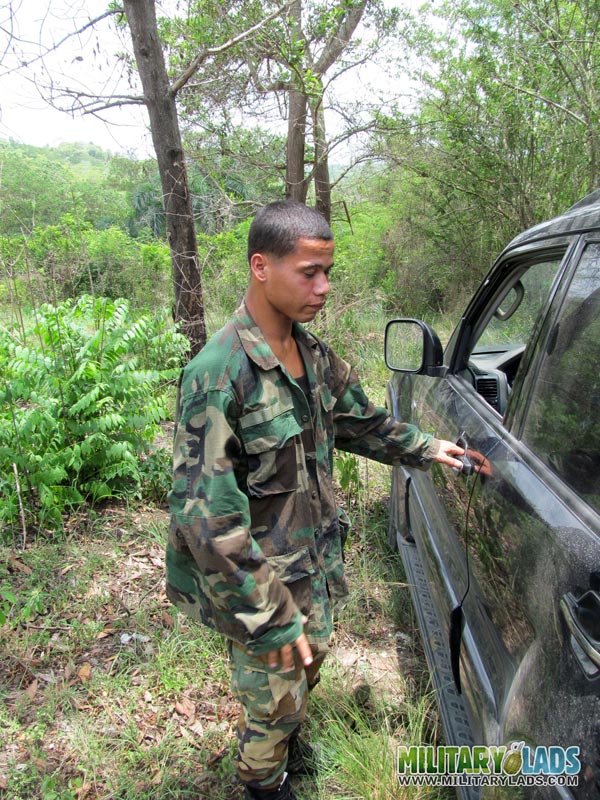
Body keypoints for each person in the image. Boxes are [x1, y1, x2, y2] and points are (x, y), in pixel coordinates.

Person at [166, 200, 464, 800]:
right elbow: (206, 522)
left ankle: (288, 747)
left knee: (307, 669)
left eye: (328, 271)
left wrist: (427, 447)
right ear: (260, 267)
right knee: (272, 703)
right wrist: (267, 617)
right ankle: (263, 784)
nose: (323, 286)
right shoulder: (219, 374)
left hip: (312, 566)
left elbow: (363, 423)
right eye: (309, 272)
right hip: (258, 582)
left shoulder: (314, 356)